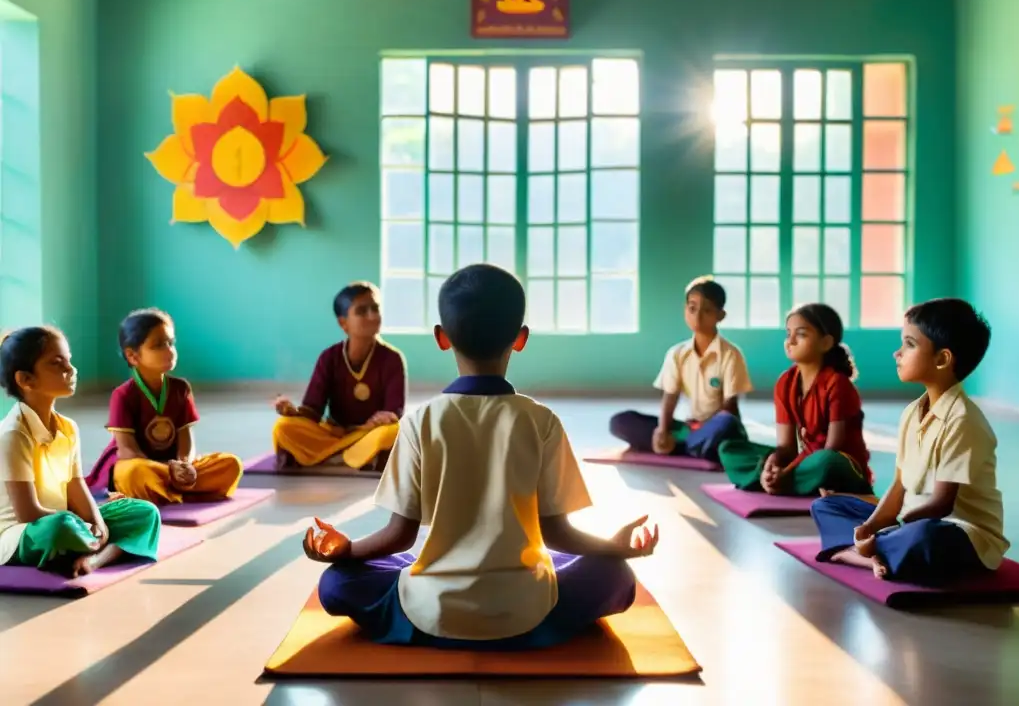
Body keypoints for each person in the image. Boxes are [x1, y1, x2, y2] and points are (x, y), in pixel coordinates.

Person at [303, 264, 658, 649]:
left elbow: (399, 537)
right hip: (526, 605)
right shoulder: (542, 421)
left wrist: (348, 550)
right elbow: (558, 533)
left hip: (434, 605)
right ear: (520, 339)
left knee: (337, 582)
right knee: (615, 576)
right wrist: (614, 547)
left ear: (442, 338)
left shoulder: (421, 420)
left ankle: (427, 617)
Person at [810, 299, 1008, 585]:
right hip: (908, 520)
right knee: (827, 507)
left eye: (909, 344)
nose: (897, 353)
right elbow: (899, 485)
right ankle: (867, 553)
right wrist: (870, 526)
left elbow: (941, 505)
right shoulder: (912, 413)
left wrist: (881, 535)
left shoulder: (963, 420)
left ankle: (857, 552)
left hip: (959, 533)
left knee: (926, 537)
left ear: (942, 359)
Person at [0, 327, 160, 576]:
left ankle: (92, 559)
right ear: (25, 380)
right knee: (61, 528)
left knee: (145, 512)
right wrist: (83, 525)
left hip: (70, 521)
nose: (71, 369)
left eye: (69, 360)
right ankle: (94, 548)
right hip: (25, 532)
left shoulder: (68, 428)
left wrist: (96, 522)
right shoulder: (13, 433)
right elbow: (27, 512)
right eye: (57, 363)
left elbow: (76, 486)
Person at [85, 309, 243, 504]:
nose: (169, 350)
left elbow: (185, 438)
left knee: (230, 464)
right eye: (158, 345)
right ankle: (176, 488)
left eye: (170, 343)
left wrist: (185, 465)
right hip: (143, 466)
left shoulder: (180, 388)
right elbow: (127, 450)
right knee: (135, 473)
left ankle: (170, 489)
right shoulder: (123, 394)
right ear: (133, 355)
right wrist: (168, 469)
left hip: (172, 469)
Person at [719, 303, 874, 496]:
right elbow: (786, 447)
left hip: (839, 467)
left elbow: (833, 447)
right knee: (729, 448)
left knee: (826, 462)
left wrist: (787, 471)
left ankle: (781, 481)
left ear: (825, 343)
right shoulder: (785, 382)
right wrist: (773, 463)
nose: (790, 341)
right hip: (804, 462)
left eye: (800, 334)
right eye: (788, 333)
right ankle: (772, 479)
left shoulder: (837, 384)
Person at [609, 276, 752, 463]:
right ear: (685, 310)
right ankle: (684, 446)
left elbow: (730, 407)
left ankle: (685, 446)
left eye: (707, 310)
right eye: (692, 308)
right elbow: (670, 396)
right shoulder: (677, 353)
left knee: (726, 423)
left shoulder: (731, 354)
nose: (698, 316)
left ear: (720, 315)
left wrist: (704, 428)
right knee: (620, 422)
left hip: (718, 428)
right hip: (690, 429)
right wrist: (662, 430)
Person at [273, 282, 407, 471]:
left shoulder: (392, 359)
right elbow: (312, 410)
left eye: (375, 308)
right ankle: (354, 457)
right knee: (283, 427)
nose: (373, 316)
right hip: (334, 434)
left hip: (369, 434)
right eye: (362, 311)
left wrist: (386, 417)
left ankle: (330, 457)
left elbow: (395, 410)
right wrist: (292, 412)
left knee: (393, 432)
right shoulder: (329, 358)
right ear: (343, 323)